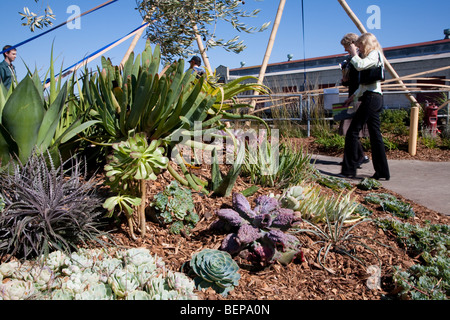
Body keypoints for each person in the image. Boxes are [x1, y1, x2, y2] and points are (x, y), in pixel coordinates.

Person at [340, 33, 390, 180]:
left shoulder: (374, 54)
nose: (359, 48)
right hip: (372, 97)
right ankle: (382, 172)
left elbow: (360, 66)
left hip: (371, 98)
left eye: (360, 45)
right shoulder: (372, 57)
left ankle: (349, 170)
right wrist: (352, 97)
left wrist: (354, 53)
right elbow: (365, 85)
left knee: (352, 132)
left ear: (366, 43)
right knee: (375, 135)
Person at [339, 33, 370, 169]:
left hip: (357, 98)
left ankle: (358, 157)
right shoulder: (350, 60)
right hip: (352, 96)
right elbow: (352, 81)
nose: (345, 50)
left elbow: (361, 78)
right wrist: (345, 80)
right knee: (349, 130)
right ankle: (356, 157)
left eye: (346, 47)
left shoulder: (361, 58)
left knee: (350, 129)